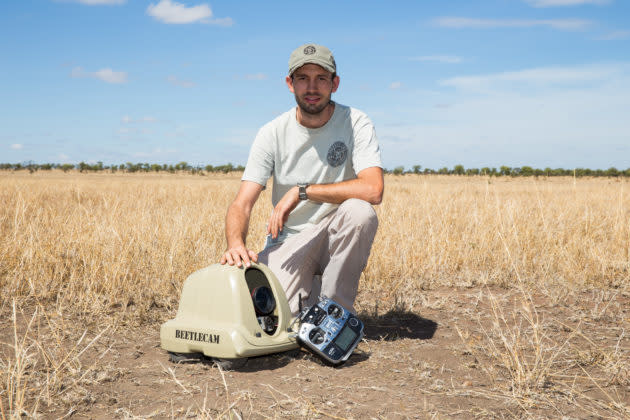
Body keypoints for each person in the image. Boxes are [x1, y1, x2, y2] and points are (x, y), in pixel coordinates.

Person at [220, 43, 384, 315]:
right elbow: (242, 203)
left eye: (321, 78)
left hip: (334, 236)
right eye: (303, 79)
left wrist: (302, 191)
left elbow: (373, 189)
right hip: (288, 242)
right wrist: (235, 243)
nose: (312, 88)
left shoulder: (356, 122)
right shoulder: (271, 132)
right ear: (289, 83)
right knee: (267, 315)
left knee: (360, 212)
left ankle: (334, 314)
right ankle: (308, 297)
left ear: (335, 83)